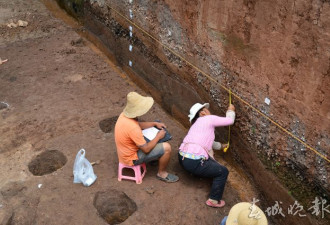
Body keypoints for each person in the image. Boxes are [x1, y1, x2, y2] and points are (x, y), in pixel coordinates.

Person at [178, 102, 235, 207]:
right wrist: (231, 110)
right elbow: (230, 121)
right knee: (222, 171)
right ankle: (213, 200)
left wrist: (221, 146)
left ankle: (195, 172)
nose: (209, 111)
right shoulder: (208, 119)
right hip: (194, 162)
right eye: (206, 109)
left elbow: (208, 142)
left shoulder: (195, 126)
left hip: (182, 158)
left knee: (205, 158)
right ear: (203, 113)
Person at [115, 92, 179, 183]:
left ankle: (154, 158)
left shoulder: (124, 116)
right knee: (167, 147)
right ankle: (162, 173)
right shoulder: (133, 128)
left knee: (154, 138)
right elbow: (146, 149)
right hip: (131, 158)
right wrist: (158, 136)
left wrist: (154, 123)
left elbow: (138, 125)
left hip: (124, 152)